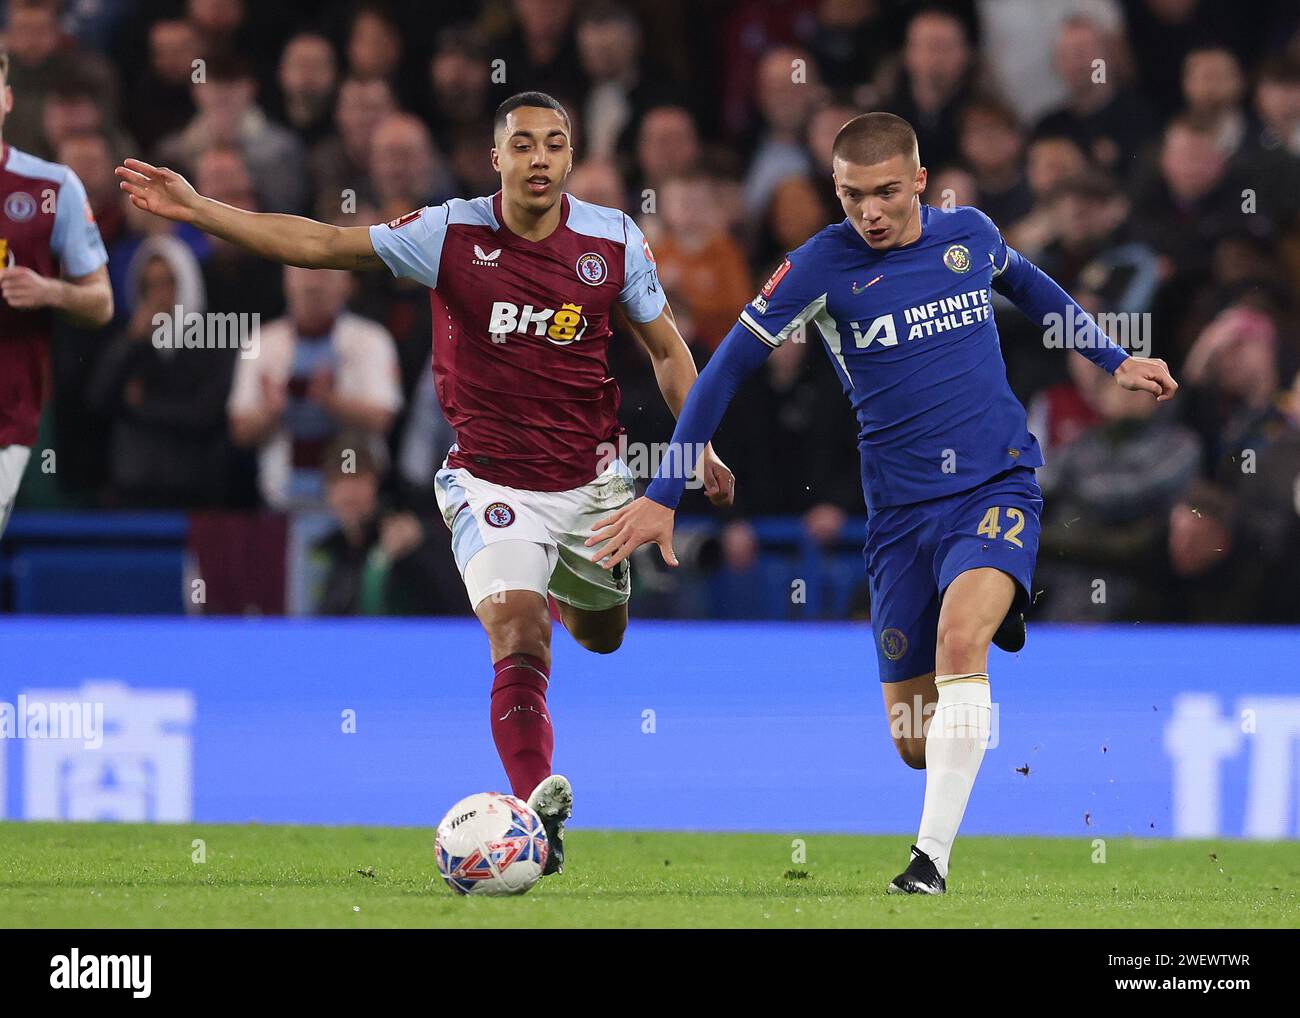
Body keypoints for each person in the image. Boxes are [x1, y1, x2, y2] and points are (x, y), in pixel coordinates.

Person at [116, 90, 733, 877]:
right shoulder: (450, 232)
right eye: (522, 145)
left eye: (553, 144)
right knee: (517, 633)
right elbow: (318, 244)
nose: (538, 159)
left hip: (591, 482)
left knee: (603, 636)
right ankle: (535, 808)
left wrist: (694, 445)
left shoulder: (612, 242)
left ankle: (559, 588)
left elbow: (670, 353)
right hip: (488, 479)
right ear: (496, 158)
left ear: (570, 157)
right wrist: (203, 211)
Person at [589, 112, 1177, 895]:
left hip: (994, 484)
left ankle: (928, 863)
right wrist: (667, 491)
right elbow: (725, 370)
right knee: (913, 738)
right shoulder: (813, 269)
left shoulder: (968, 235)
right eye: (853, 195)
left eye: (887, 193)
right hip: (899, 519)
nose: (870, 211)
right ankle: (978, 672)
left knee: (962, 644)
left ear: (921, 182)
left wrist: (1114, 358)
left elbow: (1033, 290)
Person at [0, 45, 114, 538]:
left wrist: (50, 291)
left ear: (6, 100)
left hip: (10, 411)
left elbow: (101, 303)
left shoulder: (52, 187)